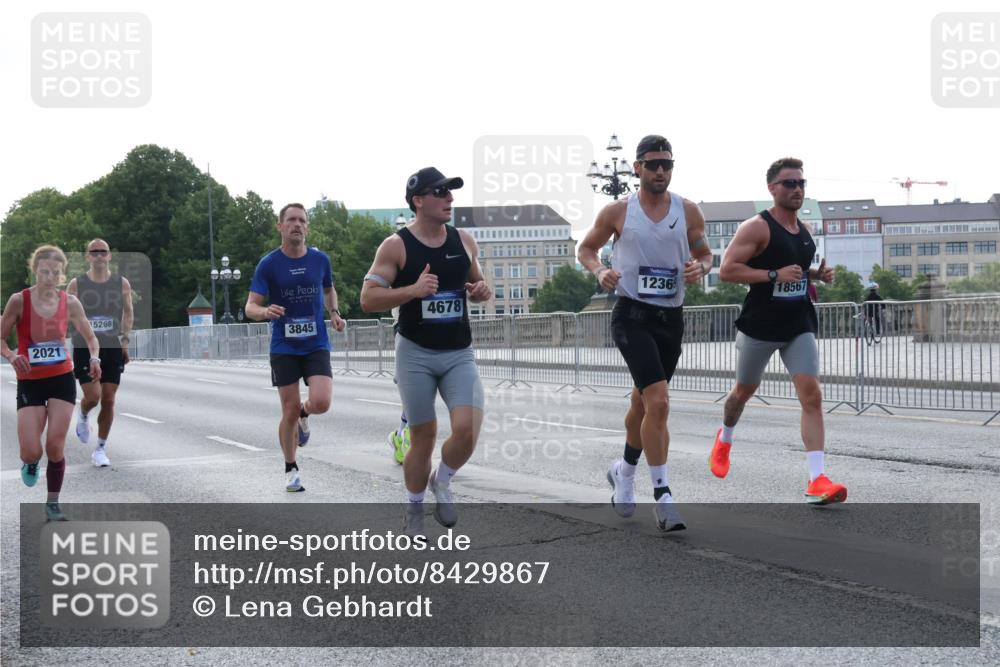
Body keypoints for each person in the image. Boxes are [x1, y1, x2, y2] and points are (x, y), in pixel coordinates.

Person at [578, 135, 713, 532]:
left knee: (642, 404)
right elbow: (586, 249)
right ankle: (663, 496)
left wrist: (701, 269)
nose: (660, 171)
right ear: (636, 167)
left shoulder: (688, 211)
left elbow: (704, 254)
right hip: (632, 315)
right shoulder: (619, 211)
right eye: (652, 164)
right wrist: (600, 270)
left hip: (671, 318)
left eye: (667, 165)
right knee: (660, 400)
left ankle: (623, 470)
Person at [360, 167, 490, 535]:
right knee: (424, 437)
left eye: (451, 192)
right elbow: (367, 298)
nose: (450, 198)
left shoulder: (463, 240)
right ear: (418, 200)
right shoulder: (396, 245)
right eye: (441, 192)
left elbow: (479, 284)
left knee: (466, 430)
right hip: (415, 351)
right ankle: (414, 508)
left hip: (458, 352)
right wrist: (412, 291)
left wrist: (481, 291)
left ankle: (442, 480)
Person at [710, 157, 845, 505]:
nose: (797, 189)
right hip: (761, 324)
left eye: (801, 183)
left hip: (798, 322)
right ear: (772, 188)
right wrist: (772, 276)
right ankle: (725, 438)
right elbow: (727, 270)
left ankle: (817, 480)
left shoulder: (805, 232)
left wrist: (816, 276)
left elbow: (794, 270)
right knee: (742, 392)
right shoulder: (756, 227)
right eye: (789, 183)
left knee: (812, 395)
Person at [245, 203, 345, 493]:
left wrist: (335, 312)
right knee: (287, 410)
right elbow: (250, 306)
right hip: (284, 346)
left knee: (322, 402)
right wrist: (265, 312)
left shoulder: (319, 260)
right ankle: (291, 468)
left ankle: (306, 412)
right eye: (291, 220)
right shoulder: (269, 263)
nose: (297, 224)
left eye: (302, 220)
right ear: (280, 226)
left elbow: (328, 289)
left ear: (307, 227)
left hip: (315, 343)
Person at [1, 245, 102, 521]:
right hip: (30, 382)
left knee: (55, 446)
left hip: (60, 379)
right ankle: (30, 463)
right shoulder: (18, 301)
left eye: (55, 273)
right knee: (32, 450)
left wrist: (95, 359)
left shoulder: (70, 303)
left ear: (61, 274)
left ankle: (52, 504)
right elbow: (1, 337)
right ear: (35, 271)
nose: (49, 277)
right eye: (44, 271)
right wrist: (11, 356)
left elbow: (91, 338)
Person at [67, 238, 134, 467]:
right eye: (93, 252)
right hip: (84, 346)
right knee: (93, 397)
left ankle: (100, 449)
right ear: (87, 256)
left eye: (102, 252)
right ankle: (84, 414)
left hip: (111, 346)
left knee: (108, 399)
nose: (98, 256)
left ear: (109, 256)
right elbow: (66, 314)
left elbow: (128, 312)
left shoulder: (121, 283)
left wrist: (125, 340)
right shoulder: (77, 285)